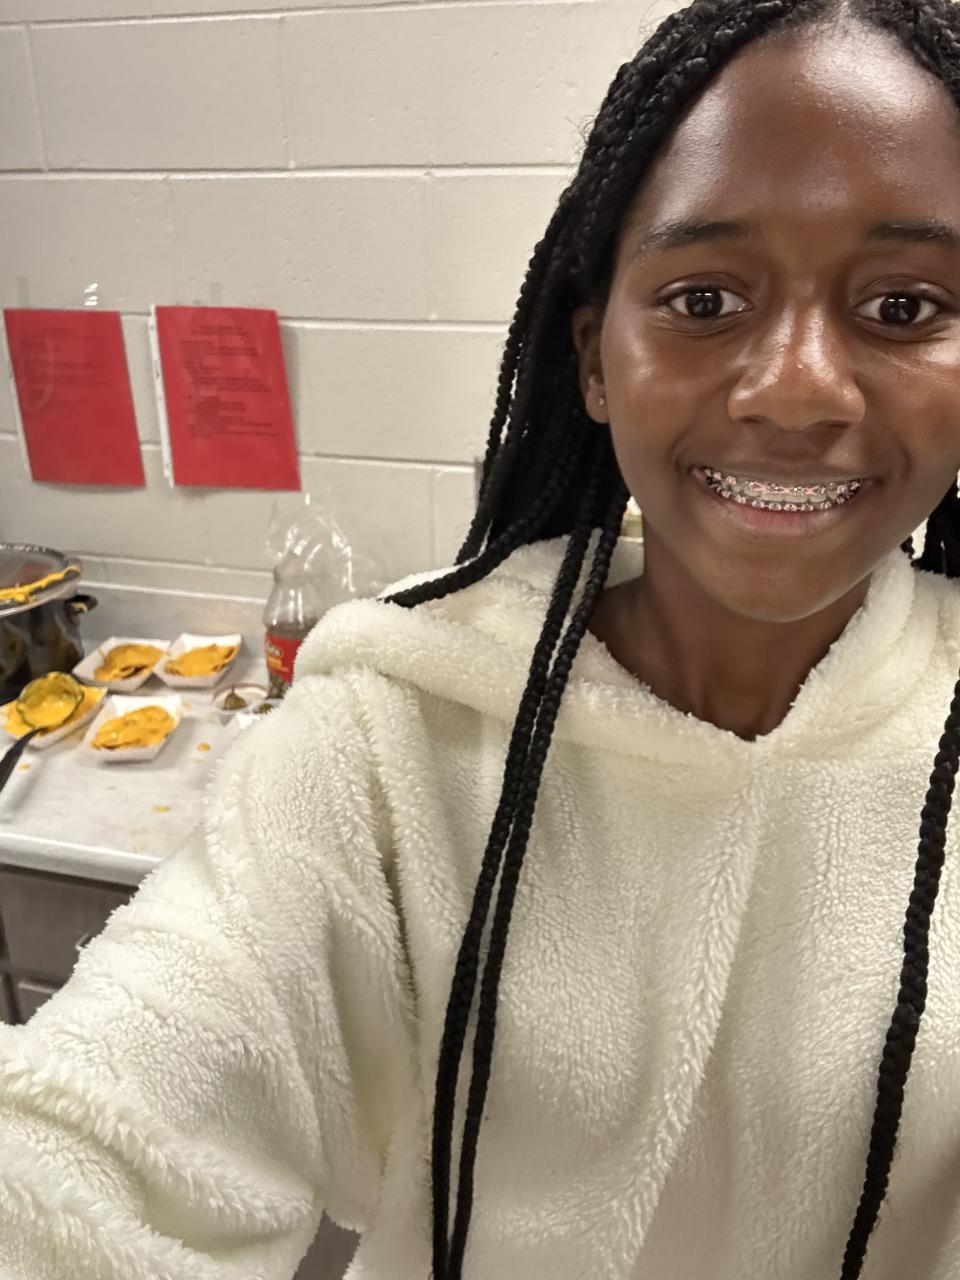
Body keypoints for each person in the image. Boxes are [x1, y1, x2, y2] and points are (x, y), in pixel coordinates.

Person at [4, 0, 960, 1275]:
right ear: (596, 360)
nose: (795, 387)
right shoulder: (397, 727)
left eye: (901, 305)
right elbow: (85, 1139)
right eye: (704, 297)